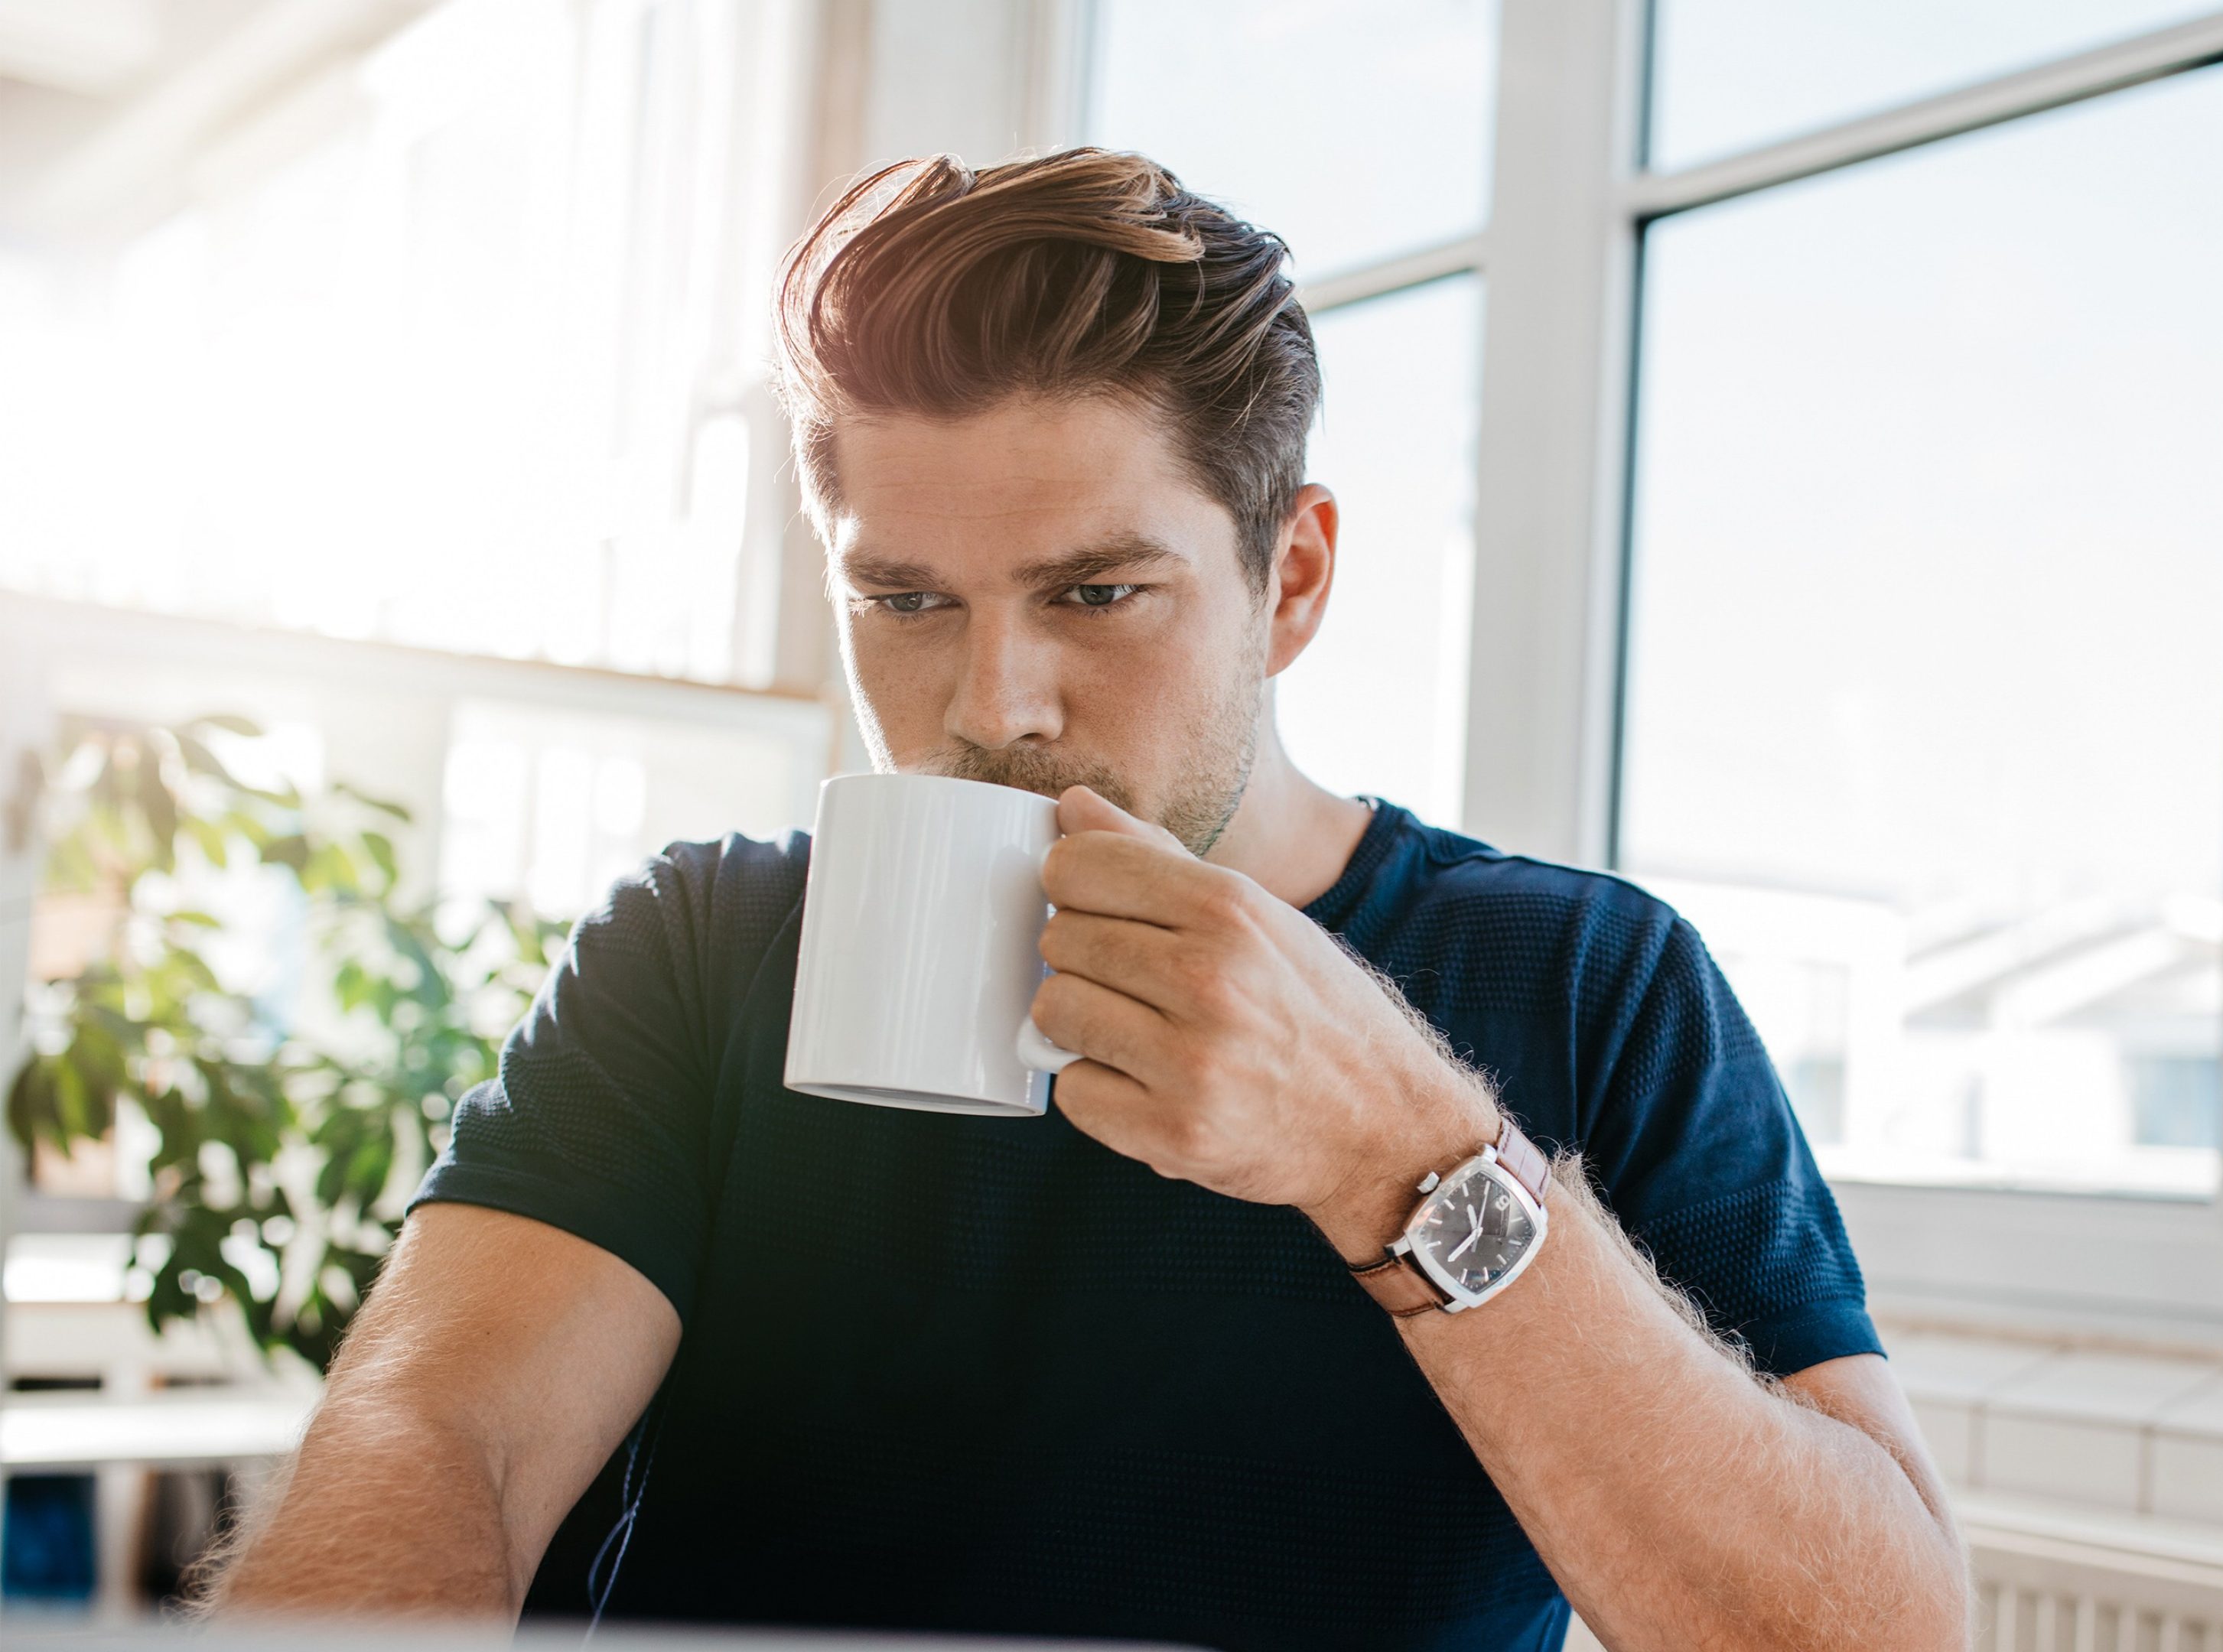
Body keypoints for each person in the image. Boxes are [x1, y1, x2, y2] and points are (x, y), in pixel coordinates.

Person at [210, 149, 1969, 1652]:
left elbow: (1881, 1629)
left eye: (1097, 594)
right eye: (905, 602)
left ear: (1291, 579)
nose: (994, 707)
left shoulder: (1588, 980)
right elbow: (443, 1434)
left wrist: (1402, 1157)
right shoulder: (708, 949)